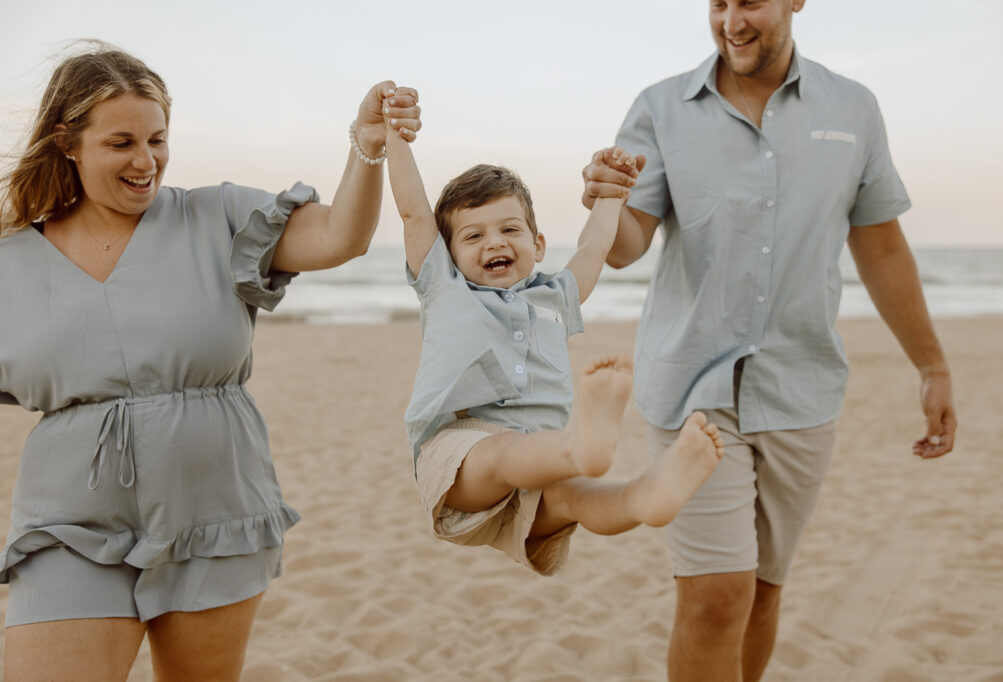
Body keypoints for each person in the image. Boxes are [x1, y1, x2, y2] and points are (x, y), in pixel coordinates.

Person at [0, 44, 421, 681]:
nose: (146, 162)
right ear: (67, 142)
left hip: (214, 510)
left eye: (158, 139)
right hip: (70, 522)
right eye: (121, 143)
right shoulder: (10, 262)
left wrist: (367, 146)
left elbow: (341, 237)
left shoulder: (218, 217)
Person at [580, 1, 957, 680]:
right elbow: (627, 246)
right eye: (717, 4)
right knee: (715, 598)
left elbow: (881, 246)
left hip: (800, 389)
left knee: (759, 594)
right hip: (693, 389)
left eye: (748, 1)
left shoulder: (854, 108)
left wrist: (931, 365)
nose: (731, 22)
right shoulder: (661, 108)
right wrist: (609, 200)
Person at [385, 113, 724, 575]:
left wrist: (612, 192)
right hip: (461, 454)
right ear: (449, 255)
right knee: (506, 454)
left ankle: (645, 497)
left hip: (539, 464)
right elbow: (412, 211)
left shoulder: (554, 299)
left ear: (538, 244)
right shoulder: (446, 290)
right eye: (473, 235)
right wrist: (393, 135)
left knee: (574, 497)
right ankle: (581, 448)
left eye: (509, 229)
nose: (494, 242)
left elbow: (594, 246)